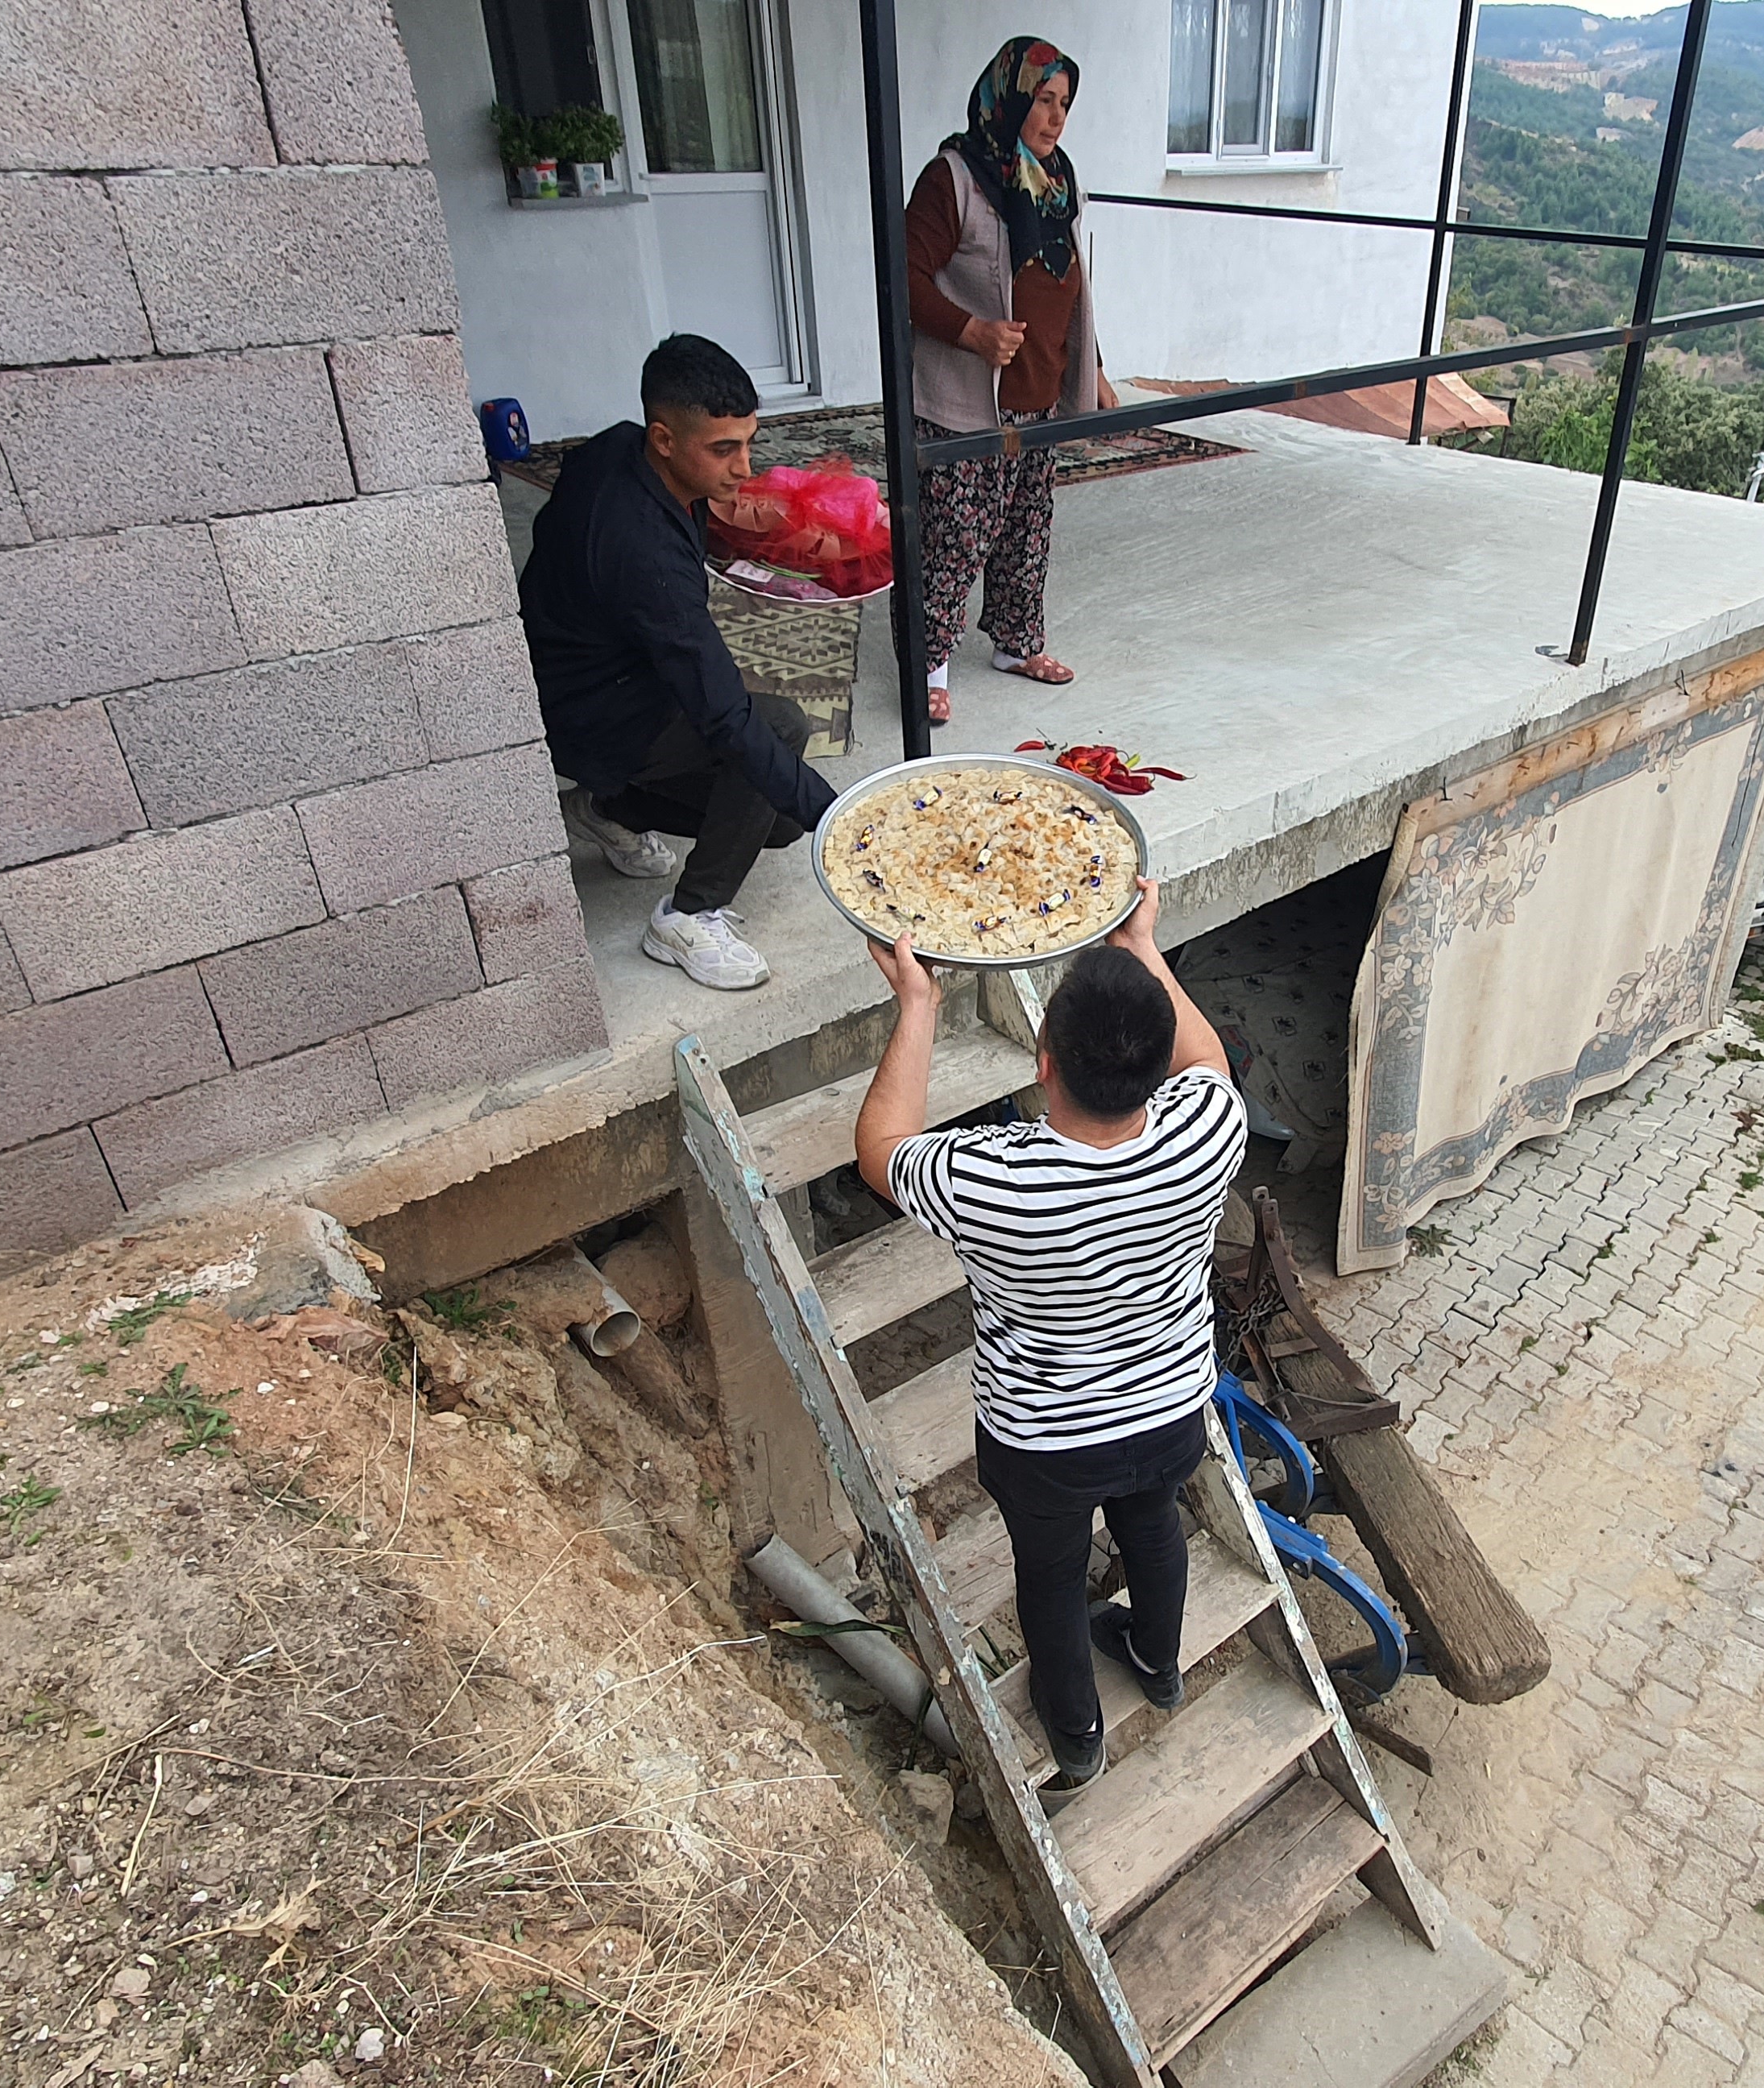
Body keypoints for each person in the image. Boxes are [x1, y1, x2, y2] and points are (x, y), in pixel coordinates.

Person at [855, 876, 1244, 1792]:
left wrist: (918, 1003)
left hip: (1047, 1440)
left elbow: (879, 1146)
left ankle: (1077, 1735)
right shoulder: (1210, 1125)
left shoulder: (993, 1181)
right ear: (1159, 1070)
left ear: (1042, 1060)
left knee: (1052, 1575)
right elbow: (1210, 1055)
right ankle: (1159, 1662)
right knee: (1155, 1526)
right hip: (1171, 1408)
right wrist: (1143, 942)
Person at [521, 335, 838, 991]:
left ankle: (611, 807)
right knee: (776, 734)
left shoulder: (614, 447)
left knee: (769, 817)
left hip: (571, 671)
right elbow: (724, 715)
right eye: (723, 450)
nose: (744, 467)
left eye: (749, 443)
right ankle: (687, 918)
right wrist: (842, 818)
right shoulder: (644, 555)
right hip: (589, 710)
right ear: (664, 438)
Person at [907, 36, 1114, 724]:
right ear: (1011, 96)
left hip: (1036, 393)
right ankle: (930, 662)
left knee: (1027, 528)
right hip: (966, 399)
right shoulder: (955, 178)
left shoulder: (1059, 184)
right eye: (1043, 101)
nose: (1055, 118)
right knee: (956, 533)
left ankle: (1015, 644)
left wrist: (1097, 370)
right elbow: (900, 279)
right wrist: (971, 331)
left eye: (1063, 104)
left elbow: (1070, 291)